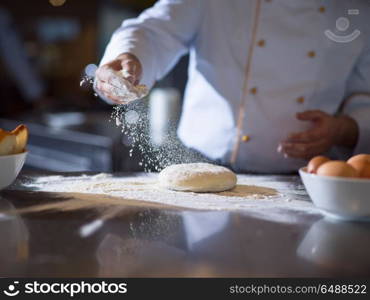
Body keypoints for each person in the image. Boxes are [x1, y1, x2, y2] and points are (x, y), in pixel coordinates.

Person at [96, 0, 370, 173]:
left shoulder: (358, 11)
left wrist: (345, 129)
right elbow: (154, 30)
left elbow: (364, 94)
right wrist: (128, 57)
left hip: (304, 178)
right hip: (197, 164)